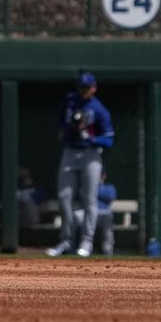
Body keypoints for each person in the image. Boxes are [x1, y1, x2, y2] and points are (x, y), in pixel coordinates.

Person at [46, 72, 114, 257]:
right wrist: (65, 129)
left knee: (90, 200)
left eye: (87, 87)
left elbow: (109, 140)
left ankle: (86, 242)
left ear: (94, 88)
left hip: (90, 154)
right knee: (64, 197)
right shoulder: (70, 100)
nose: (83, 90)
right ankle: (66, 241)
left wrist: (91, 138)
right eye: (81, 86)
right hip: (70, 151)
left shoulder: (99, 109)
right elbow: (62, 116)